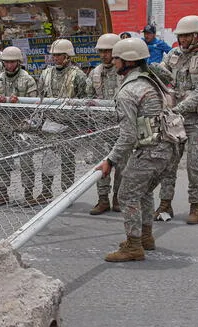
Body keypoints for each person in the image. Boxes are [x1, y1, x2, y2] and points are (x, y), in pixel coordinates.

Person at [96, 38, 178, 262]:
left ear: (127, 61)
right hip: (169, 150)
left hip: (151, 151)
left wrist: (110, 161)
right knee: (143, 192)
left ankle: (133, 246)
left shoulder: (129, 91)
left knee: (126, 194)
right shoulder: (151, 79)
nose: (113, 62)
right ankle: (145, 237)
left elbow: (128, 136)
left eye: (116, 58)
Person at [154, 15, 198, 224]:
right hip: (175, 118)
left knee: (195, 164)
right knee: (168, 163)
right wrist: (152, 70)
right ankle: (165, 204)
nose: (181, 40)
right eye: (180, 36)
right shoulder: (173, 54)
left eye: (186, 36)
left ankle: (195, 206)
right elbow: (162, 74)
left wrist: (178, 109)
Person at [36, 39, 88, 204]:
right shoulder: (46, 74)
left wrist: (79, 123)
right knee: (48, 158)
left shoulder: (78, 75)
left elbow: (85, 99)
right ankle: (46, 191)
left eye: (58, 55)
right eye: (54, 55)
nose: (55, 58)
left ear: (67, 56)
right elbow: (40, 95)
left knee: (67, 160)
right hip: (50, 122)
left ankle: (67, 194)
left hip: (69, 124)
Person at [0, 46, 38, 207]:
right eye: (7, 62)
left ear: (18, 62)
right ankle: (2, 194)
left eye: (12, 62)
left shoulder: (28, 80)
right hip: (2, 127)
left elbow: (34, 105)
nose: (9, 65)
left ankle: (28, 194)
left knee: (26, 161)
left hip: (22, 126)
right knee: (0, 160)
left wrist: (20, 102)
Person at [87, 33, 124, 215]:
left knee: (122, 165)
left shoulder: (124, 72)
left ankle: (118, 198)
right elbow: (87, 96)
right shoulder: (95, 73)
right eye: (101, 51)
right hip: (101, 126)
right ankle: (103, 199)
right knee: (101, 165)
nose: (104, 55)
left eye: (108, 51)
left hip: (121, 126)